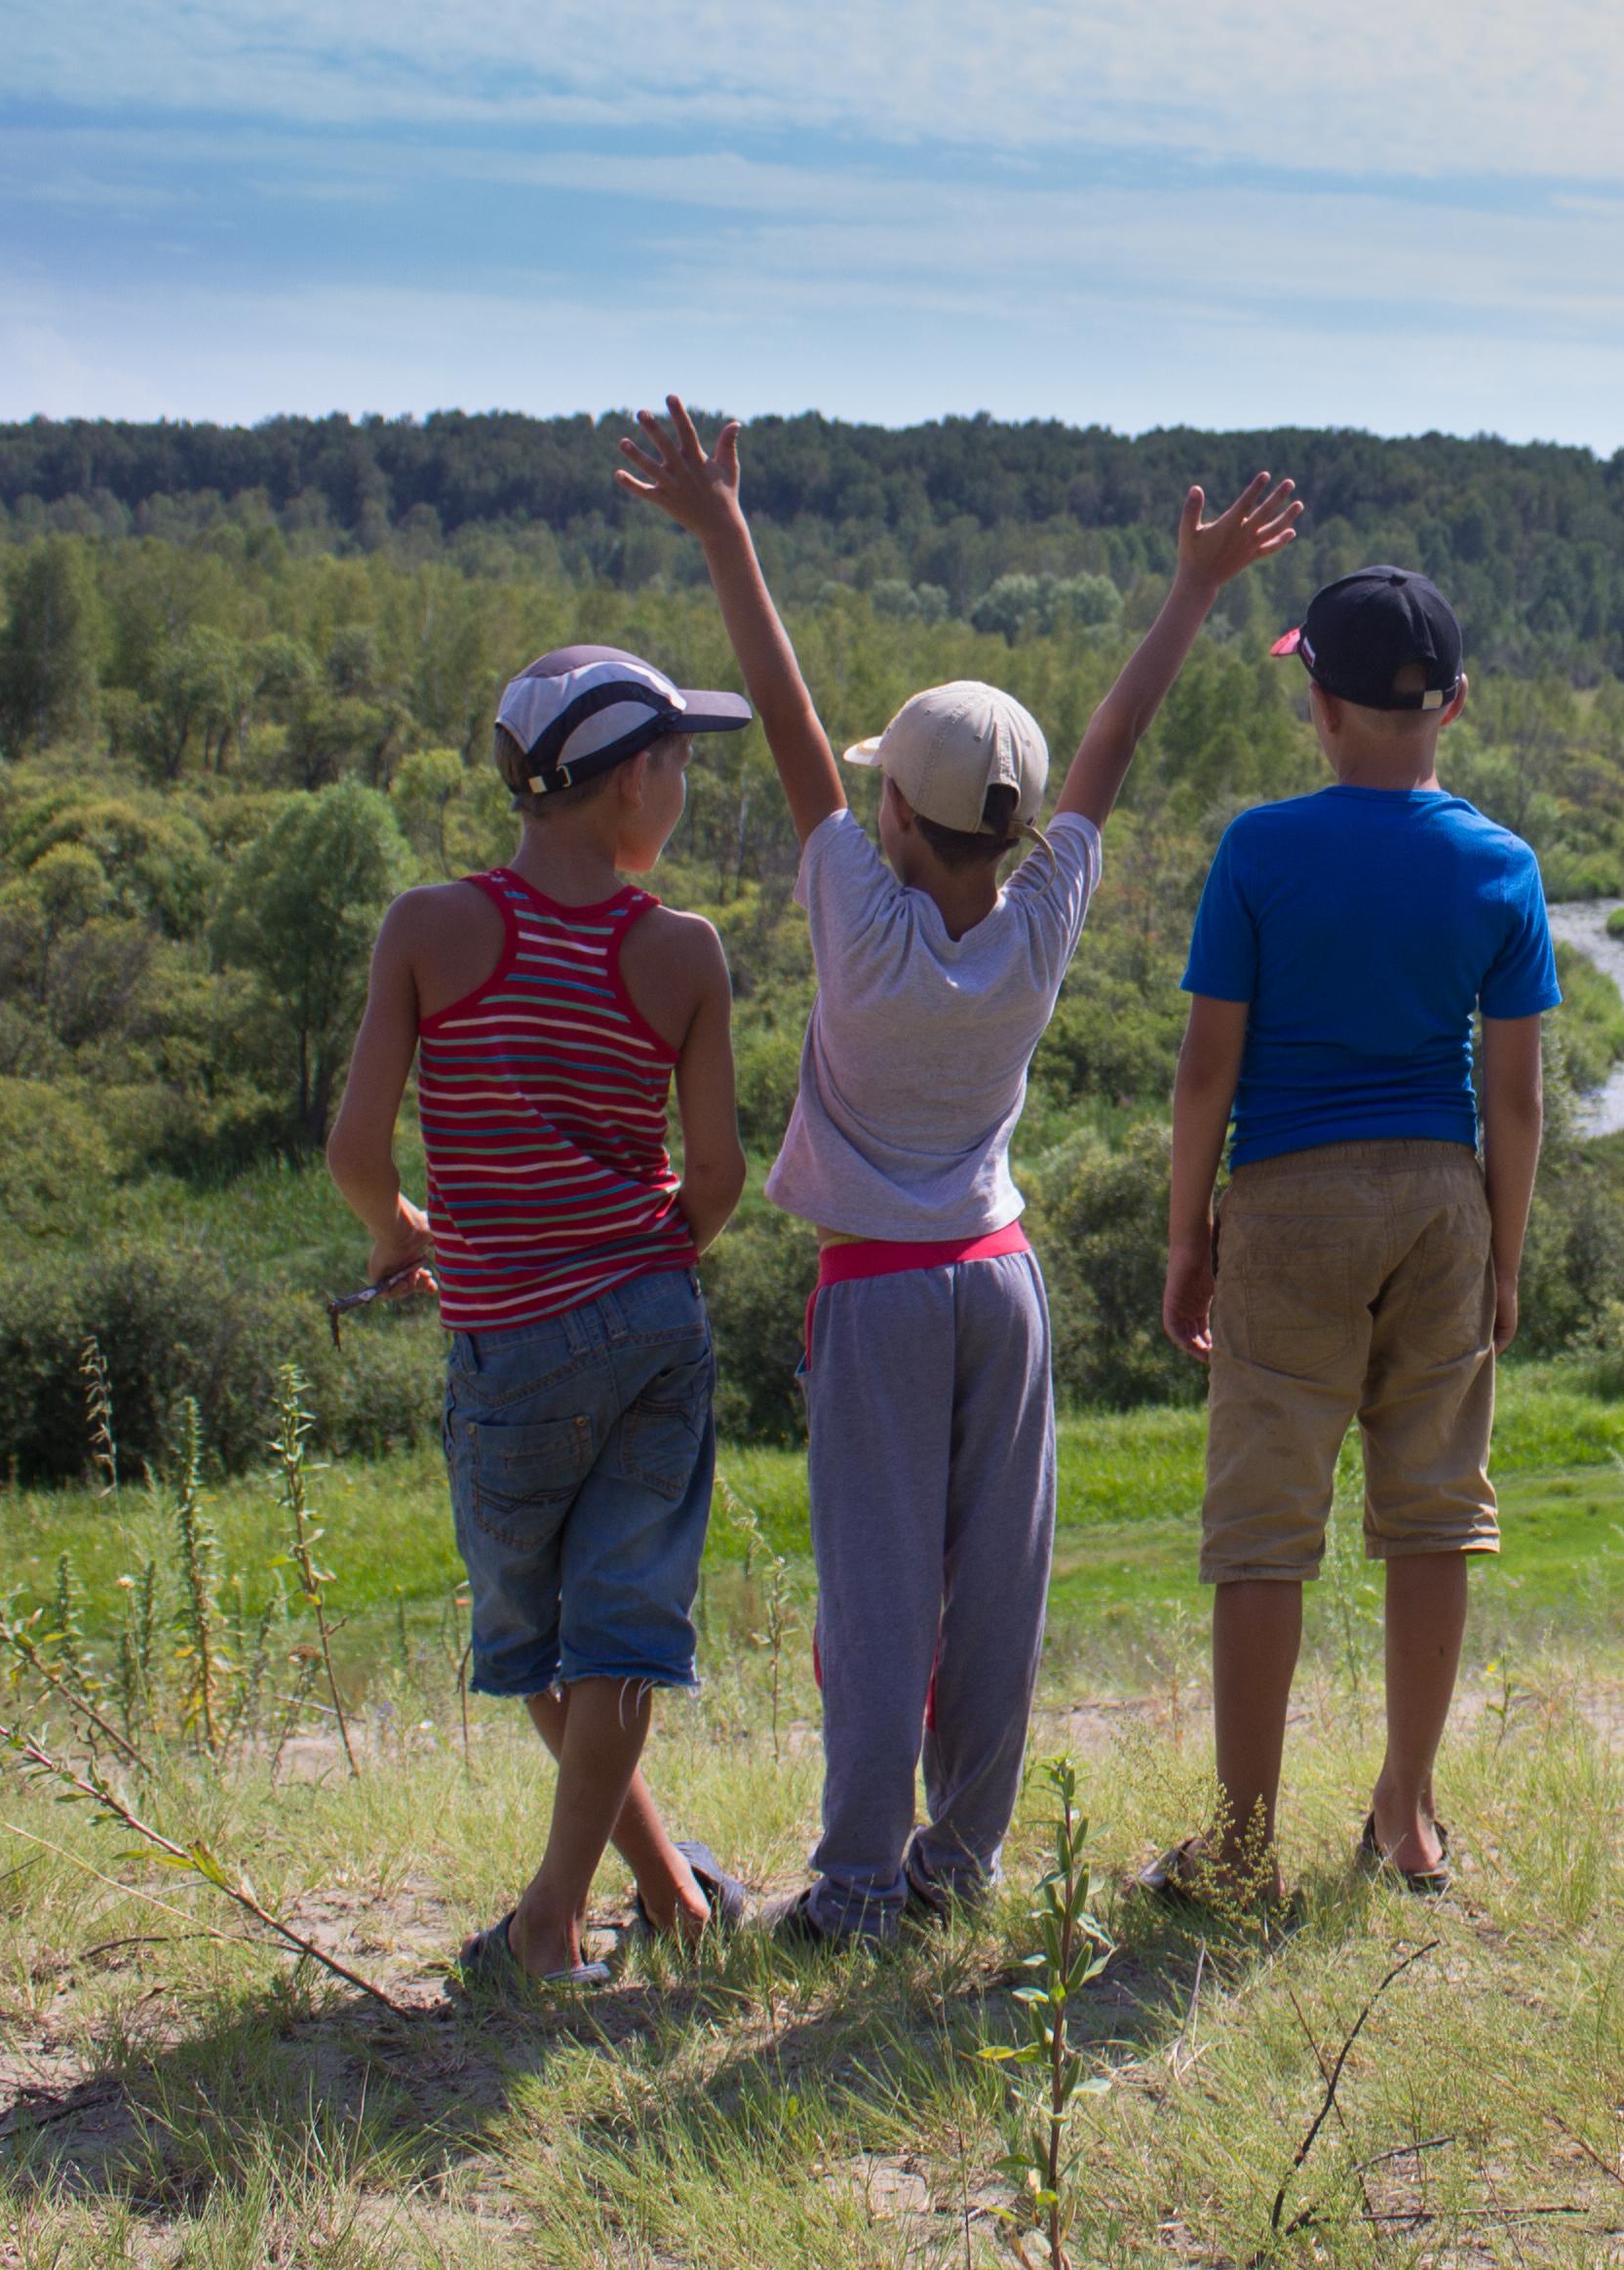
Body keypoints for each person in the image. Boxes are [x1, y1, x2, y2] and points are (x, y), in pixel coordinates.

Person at [613, 395, 1304, 1943]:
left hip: (880, 1295)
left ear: (884, 817)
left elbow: (789, 721)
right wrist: (1193, 588)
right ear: (1007, 830)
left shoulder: (859, 922)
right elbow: (1108, 755)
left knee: (875, 1597)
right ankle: (962, 1864)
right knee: (998, 1588)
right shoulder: (1043, 925)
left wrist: (727, 529)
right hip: (1004, 1284)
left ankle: (857, 1881)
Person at [325, 640, 757, 1989]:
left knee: (536, 1646)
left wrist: (413, 1239)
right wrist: (644, 1250)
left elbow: (355, 1150)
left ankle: (549, 1923)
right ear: (632, 784)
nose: (682, 787)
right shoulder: (682, 952)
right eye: (681, 764)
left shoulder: (428, 928)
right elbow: (725, 1173)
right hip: (647, 1325)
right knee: (625, 1625)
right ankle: (672, 1904)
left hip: (503, 1345)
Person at [1156, 564, 1557, 1905]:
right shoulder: (1502, 866)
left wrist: (1185, 1236)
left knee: (1267, 1524)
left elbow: (1208, 1069)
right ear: (1458, 705)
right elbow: (1513, 1094)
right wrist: (1504, 1254)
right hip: (1442, 1197)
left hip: (1288, 1195)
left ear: (1316, 703)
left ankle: (1246, 1845)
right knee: (1435, 1509)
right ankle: (1409, 1816)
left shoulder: (1261, 851)